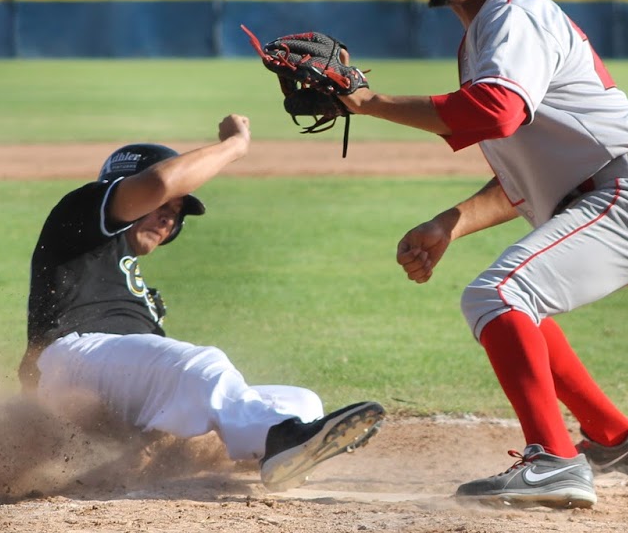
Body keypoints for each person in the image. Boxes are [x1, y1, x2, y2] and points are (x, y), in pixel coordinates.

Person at [337, 0, 628, 509]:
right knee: (514, 303)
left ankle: (554, 460)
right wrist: (450, 222)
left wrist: (370, 103)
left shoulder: (514, 16)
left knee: (498, 295)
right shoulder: (485, 33)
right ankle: (615, 439)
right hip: (620, 193)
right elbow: (522, 179)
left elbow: (496, 111)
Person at [20, 116, 384, 493]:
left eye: (176, 211)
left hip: (113, 387)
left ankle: (276, 450)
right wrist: (235, 146)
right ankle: (276, 439)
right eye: (162, 205)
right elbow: (159, 182)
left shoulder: (142, 295)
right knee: (199, 366)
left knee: (301, 402)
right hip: (70, 359)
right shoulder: (80, 216)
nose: (169, 216)